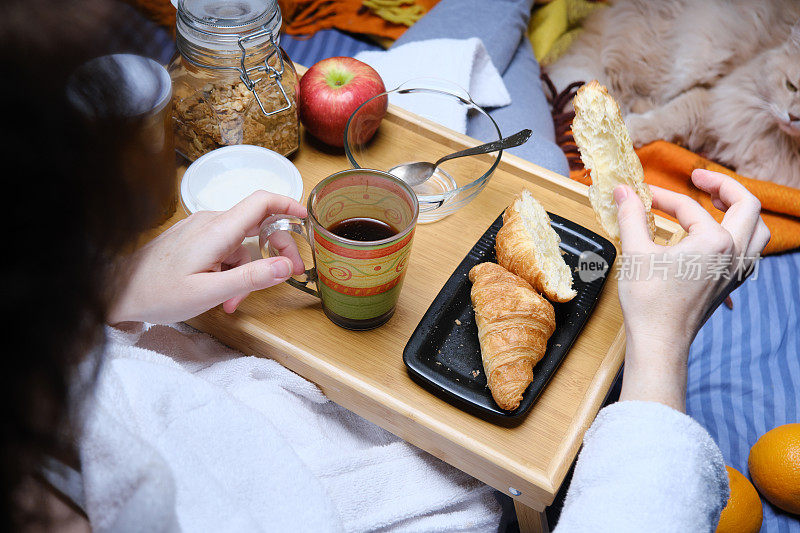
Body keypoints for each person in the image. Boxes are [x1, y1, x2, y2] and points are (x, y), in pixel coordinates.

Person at [3, 0, 770, 531]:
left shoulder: (57, 401)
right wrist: (660, 349)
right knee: (506, 98)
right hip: (413, 446)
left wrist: (115, 291)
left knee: (472, 61)